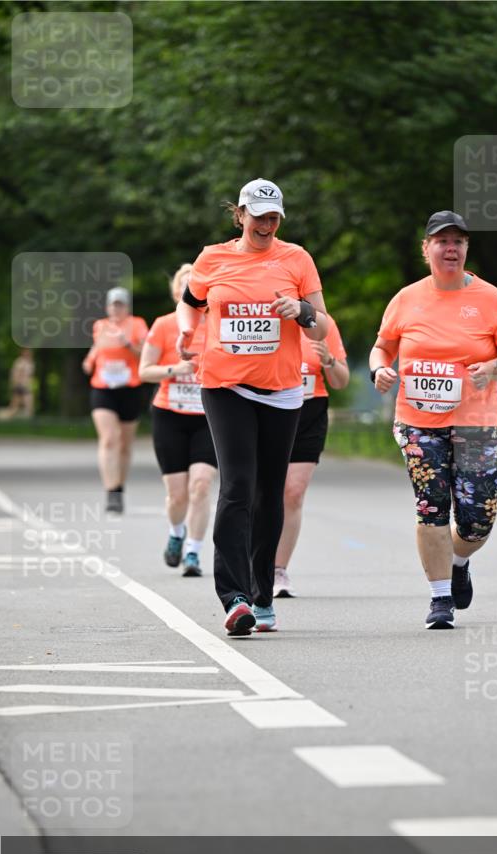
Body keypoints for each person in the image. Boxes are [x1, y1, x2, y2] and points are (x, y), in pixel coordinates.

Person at [176, 178, 328, 636]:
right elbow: (190, 303)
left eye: (273, 216)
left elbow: (321, 327)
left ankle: (263, 593)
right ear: (239, 215)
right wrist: (188, 333)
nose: (265, 223)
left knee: (269, 493)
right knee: (238, 486)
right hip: (224, 385)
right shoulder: (212, 258)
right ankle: (235, 596)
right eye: (257, 215)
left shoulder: (296, 259)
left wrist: (299, 312)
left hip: (281, 390)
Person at [370, 210, 497, 629]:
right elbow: (381, 348)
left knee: (478, 519)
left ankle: (459, 560)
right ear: (427, 250)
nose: (451, 248)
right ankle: (440, 599)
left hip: (477, 422)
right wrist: (379, 370)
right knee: (431, 507)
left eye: (458, 241)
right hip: (417, 421)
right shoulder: (406, 299)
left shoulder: (490, 299)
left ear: (466, 249)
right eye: (442, 241)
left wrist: (493, 368)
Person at [139, 264, 217, 577]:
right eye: (185, 286)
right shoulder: (163, 325)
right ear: (177, 293)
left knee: (200, 486)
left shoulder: (217, 324)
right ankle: (176, 532)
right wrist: (176, 370)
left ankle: (194, 554)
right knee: (177, 494)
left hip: (209, 416)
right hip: (169, 414)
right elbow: (144, 371)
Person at [273, 317, 349, 598]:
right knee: (266, 491)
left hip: (310, 412)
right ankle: (255, 562)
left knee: (292, 493)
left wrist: (329, 361)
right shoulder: (266, 317)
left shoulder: (322, 324)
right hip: (271, 409)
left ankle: (278, 569)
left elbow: (341, 381)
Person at [82, 288, 148, 513]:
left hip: (130, 389)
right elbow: (96, 349)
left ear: (127, 307)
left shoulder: (137, 324)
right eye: (112, 305)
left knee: (125, 444)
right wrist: (89, 360)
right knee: (109, 439)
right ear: (107, 307)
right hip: (103, 388)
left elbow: (147, 354)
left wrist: (128, 344)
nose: (116, 309)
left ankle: (119, 487)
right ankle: (111, 492)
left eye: (120, 305)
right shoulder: (100, 326)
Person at [7, 348, 35, 417]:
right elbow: (15, 374)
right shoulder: (20, 362)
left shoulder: (30, 363)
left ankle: (31, 421)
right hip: (20, 385)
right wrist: (16, 383)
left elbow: (30, 376)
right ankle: (31, 421)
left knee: (20, 404)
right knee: (19, 404)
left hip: (26, 386)